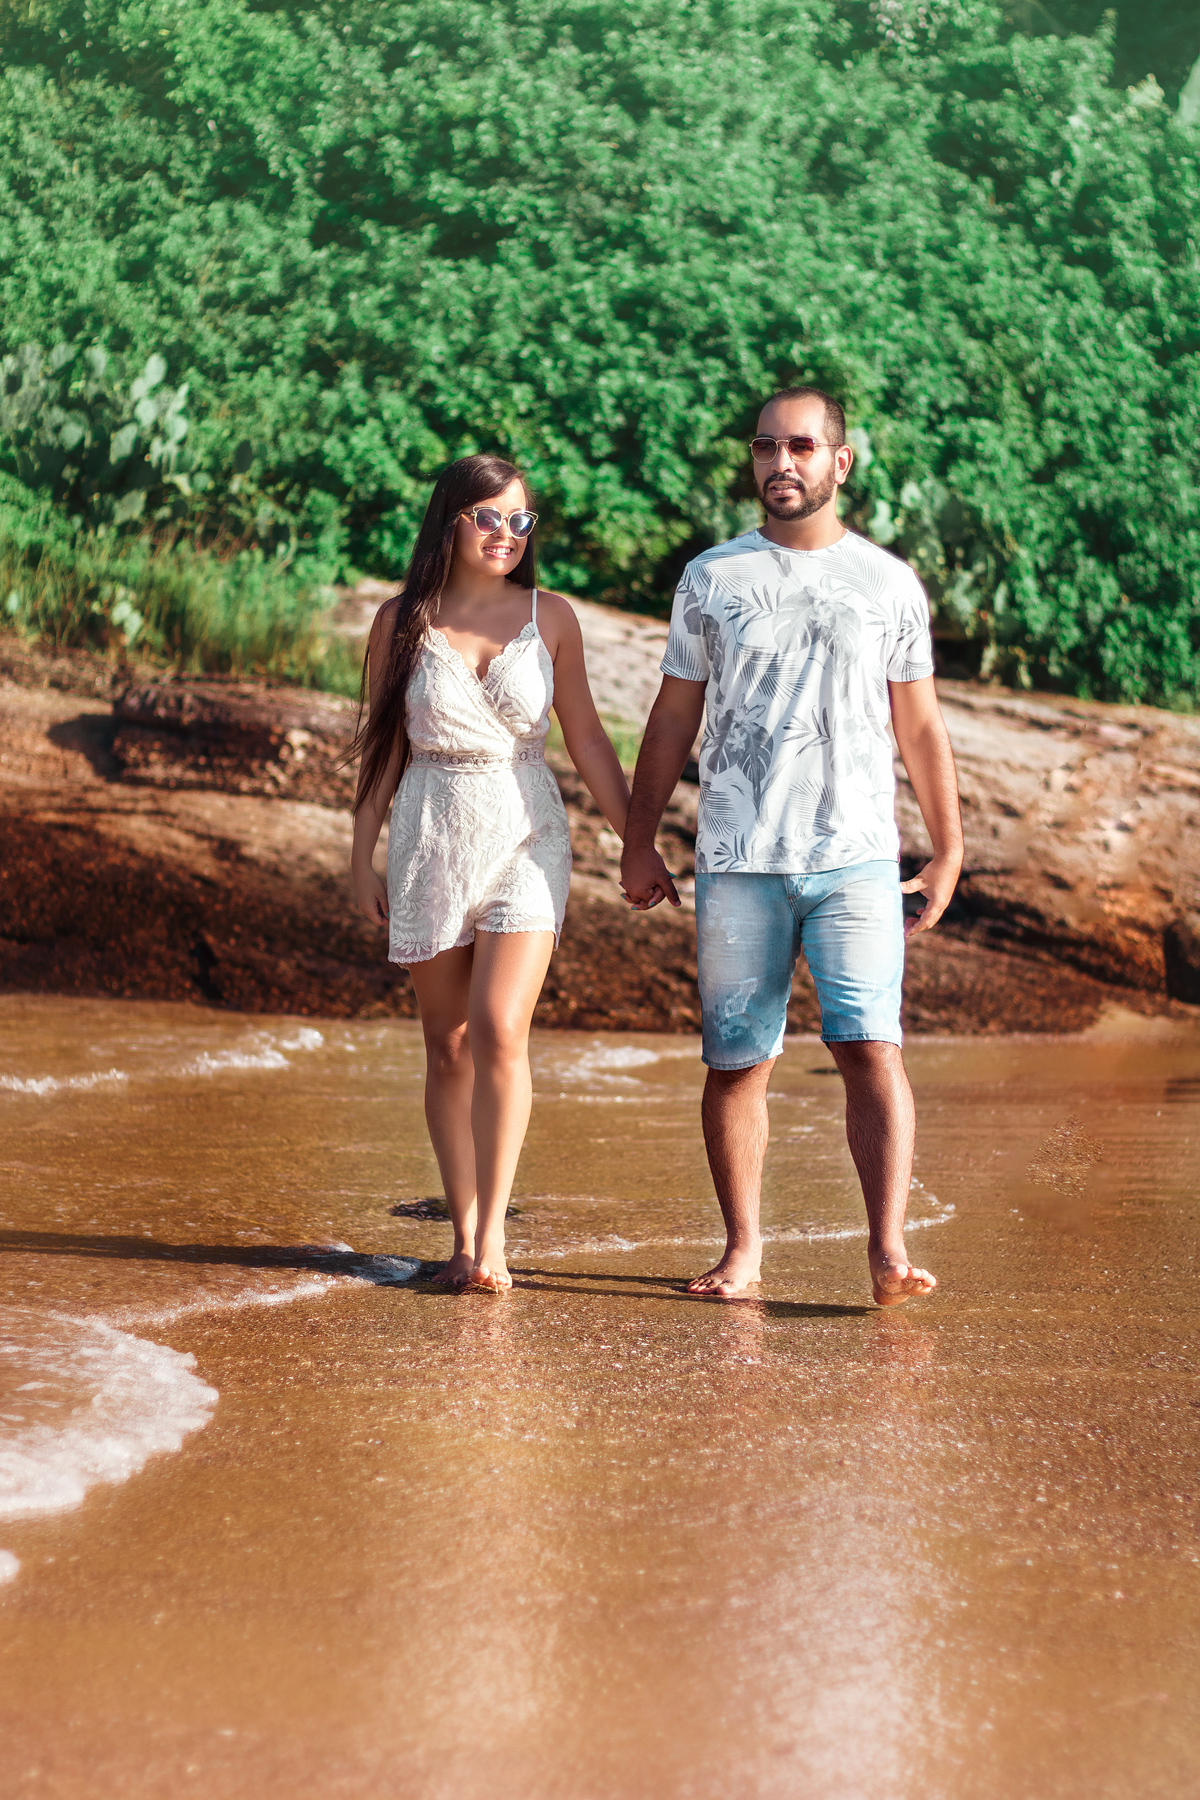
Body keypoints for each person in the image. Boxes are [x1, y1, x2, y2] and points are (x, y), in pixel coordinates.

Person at [620, 387, 963, 1305]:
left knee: (871, 1049)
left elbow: (921, 727)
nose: (782, 462)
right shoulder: (711, 577)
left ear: (839, 462)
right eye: (767, 447)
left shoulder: (888, 583)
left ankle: (887, 1251)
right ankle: (743, 1250)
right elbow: (671, 717)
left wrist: (948, 849)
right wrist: (638, 841)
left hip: (856, 858)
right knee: (737, 1061)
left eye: (802, 447)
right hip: (736, 859)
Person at [350, 455, 630, 1293]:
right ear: (450, 521)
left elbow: (585, 739)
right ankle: (462, 1237)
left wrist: (637, 841)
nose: (507, 534)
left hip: (526, 830)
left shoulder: (552, 617)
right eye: (489, 517)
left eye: (520, 521)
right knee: (448, 1046)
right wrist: (358, 855)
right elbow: (383, 744)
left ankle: (494, 1242)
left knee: (501, 1028)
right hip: (431, 830)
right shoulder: (400, 620)